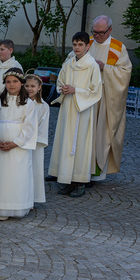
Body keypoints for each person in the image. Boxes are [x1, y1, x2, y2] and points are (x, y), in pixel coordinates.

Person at [49, 32, 103, 197]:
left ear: (87, 46)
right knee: (66, 142)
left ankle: (80, 181)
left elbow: (96, 90)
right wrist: (63, 89)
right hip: (68, 108)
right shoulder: (69, 64)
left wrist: (76, 91)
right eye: (74, 44)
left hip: (82, 110)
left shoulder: (92, 65)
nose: (77, 48)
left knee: (80, 145)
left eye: (80, 45)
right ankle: (66, 179)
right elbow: (60, 81)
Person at [88, 15, 132, 181]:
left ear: (110, 30)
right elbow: (71, 60)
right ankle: (78, 169)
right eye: (95, 32)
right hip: (86, 97)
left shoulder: (118, 48)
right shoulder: (87, 43)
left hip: (106, 98)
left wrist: (104, 68)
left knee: (101, 135)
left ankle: (96, 173)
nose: (97, 36)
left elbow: (125, 73)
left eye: (101, 32)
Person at [0, 68, 37, 220]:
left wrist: (15, 143)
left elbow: (29, 127)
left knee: (15, 176)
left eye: (15, 81)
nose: (11, 85)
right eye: (8, 82)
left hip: (17, 146)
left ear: (22, 83)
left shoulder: (28, 103)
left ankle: (14, 207)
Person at [24, 75, 50, 206]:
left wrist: (33, 139)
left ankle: (33, 198)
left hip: (35, 144)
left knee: (34, 170)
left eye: (33, 86)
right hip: (21, 141)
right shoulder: (21, 103)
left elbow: (43, 126)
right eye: (27, 86)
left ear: (39, 87)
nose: (29, 89)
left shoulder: (43, 106)